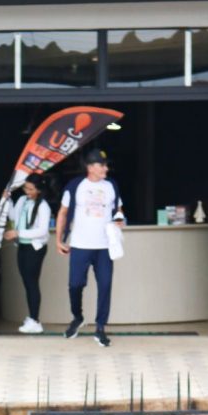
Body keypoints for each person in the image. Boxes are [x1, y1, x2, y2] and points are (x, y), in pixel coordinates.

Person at [55, 149, 125, 348]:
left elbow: (118, 209)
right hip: (80, 245)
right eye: (102, 165)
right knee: (75, 284)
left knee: (105, 285)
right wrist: (59, 240)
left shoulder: (111, 186)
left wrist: (119, 219)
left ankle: (100, 327)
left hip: (104, 246)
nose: (105, 168)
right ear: (90, 167)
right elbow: (62, 213)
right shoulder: (75, 186)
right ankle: (77, 317)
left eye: (105, 165)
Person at [2, 175, 51, 334]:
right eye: (25, 188)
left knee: (31, 283)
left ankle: (35, 320)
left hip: (35, 248)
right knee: (27, 282)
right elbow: (13, 216)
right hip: (22, 246)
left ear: (39, 189)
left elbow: (42, 231)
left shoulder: (43, 206)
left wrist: (18, 232)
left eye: (31, 189)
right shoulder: (23, 200)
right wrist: (7, 200)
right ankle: (32, 318)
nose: (27, 191)